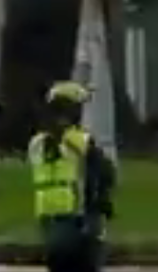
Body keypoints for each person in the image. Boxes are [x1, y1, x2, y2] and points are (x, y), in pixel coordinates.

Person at [28, 81, 117, 272]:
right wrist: (102, 202)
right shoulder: (78, 140)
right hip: (77, 224)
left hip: (49, 226)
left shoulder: (36, 143)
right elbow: (105, 171)